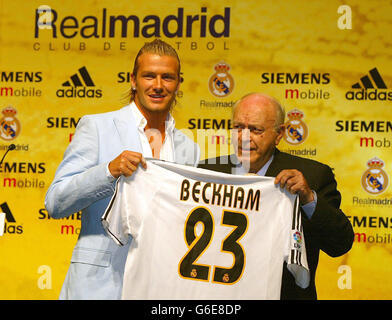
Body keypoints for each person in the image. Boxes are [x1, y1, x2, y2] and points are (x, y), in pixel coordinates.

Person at [45, 39, 200, 300]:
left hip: (161, 288)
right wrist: (108, 171)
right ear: (133, 80)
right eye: (149, 76)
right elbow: (55, 202)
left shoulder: (190, 149)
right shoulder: (96, 127)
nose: (158, 85)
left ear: (178, 83)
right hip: (98, 287)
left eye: (168, 77)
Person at [198, 92, 354, 300]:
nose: (244, 138)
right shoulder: (207, 172)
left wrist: (308, 199)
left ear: (279, 134)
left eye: (255, 130)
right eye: (238, 128)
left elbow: (340, 244)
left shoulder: (313, 176)